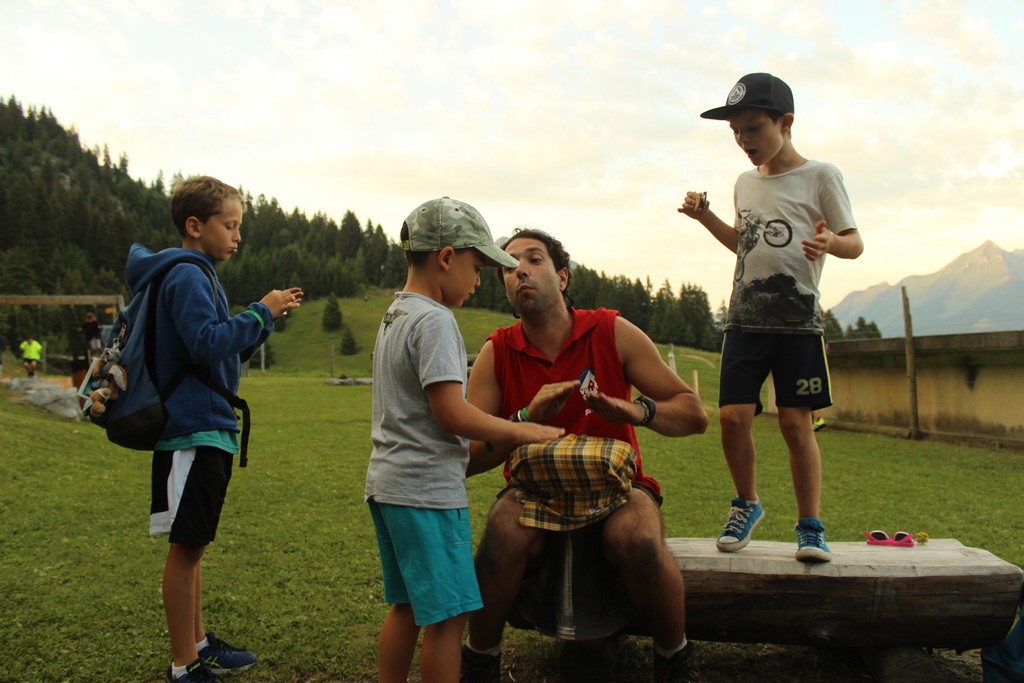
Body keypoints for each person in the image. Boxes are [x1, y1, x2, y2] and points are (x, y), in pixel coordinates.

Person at [461, 228, 709, 683]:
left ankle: (674, 659)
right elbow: (468, 458)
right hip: (532, 488)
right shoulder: (497, 352)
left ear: (564, 276)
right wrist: (521, 420)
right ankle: (480, 660)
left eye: (533, 259)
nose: (520, 271)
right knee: (501, 537)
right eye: (508, 267)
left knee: (638, 538)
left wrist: (635, 410)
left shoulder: (610, 330)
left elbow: (694, 415)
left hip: (619, 487)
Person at [365, 198, 564, 683]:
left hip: (390, 485)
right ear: (447, 258)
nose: (479, 281)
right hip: (427, 492)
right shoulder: (435, 321)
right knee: (449, 617)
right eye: (476, 267)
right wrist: (522, 430)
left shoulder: (396, 315)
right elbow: (452, 414)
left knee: (409, 607)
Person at [678, 72, 864, 563]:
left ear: (786, 122)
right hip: (744, 321)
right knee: (732, 417)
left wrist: (830, 244)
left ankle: (811, 526)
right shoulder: (743, 183)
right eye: (736, 131)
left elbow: (855, 242)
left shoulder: (821, 175)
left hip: (798, 325)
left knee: (795, 424)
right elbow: (746, 244)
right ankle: (747, 504)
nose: (743, 140)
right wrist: (706, 219)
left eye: (753, 128)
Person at [132, 175, 303, 683]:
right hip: (191, 429)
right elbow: (207, 343)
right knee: (186, 549)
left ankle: (199, 644)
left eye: (238, 226)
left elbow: (215, 349)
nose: (237, 235)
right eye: (228, 225)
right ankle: (184, 665)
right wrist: (261, 310)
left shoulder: (198, 273)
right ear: (194, 225)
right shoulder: (186, 274)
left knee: (195, 545)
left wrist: (262, 320)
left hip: (208, 427)